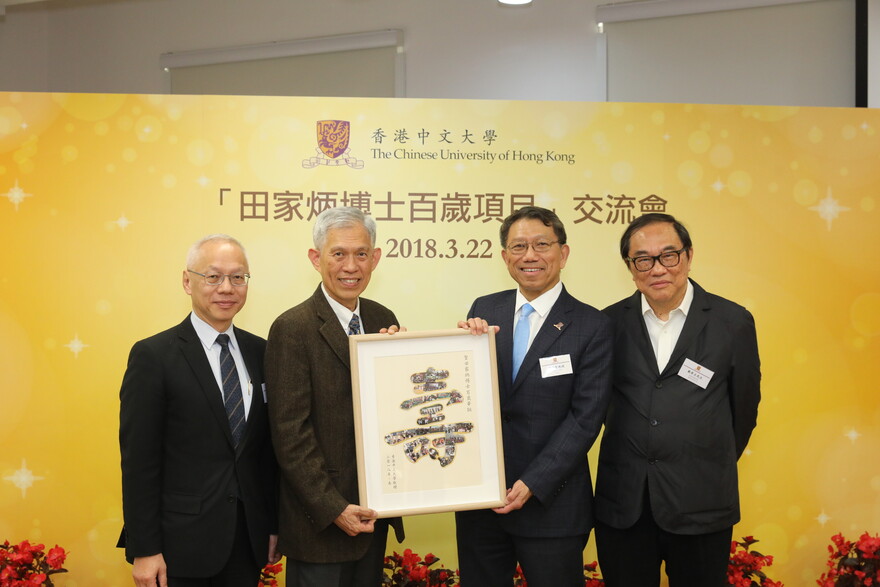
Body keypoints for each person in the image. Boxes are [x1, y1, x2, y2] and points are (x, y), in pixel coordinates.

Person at [594, 213, 761, 587]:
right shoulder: (606, 324)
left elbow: (744, 409)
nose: (658, 268)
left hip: (701, 502)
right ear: (630, 267)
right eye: (643, 259)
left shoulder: (732, 322)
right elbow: (595, 403)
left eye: (669, 255)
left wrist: (700, 454)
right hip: (624, 506)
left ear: (687, 256)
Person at [456, 206, 613, 587]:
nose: (530, 255)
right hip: (483, 501)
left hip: (551, 503)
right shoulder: (484, 309)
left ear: (563, 253)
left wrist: (533, 482)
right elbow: (467, 394)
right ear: (504, 256)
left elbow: (585, 418)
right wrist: (464, 346)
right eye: (519, 246)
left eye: (542, 244)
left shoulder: (592, 324)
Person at [118, 234, 279, 587]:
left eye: (238, 277)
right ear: (187, 281)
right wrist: (144, 549)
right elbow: (139, 462)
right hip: (179, 546)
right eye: (213, 276)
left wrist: (271, 525)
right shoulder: (154, 356)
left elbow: (265, 452)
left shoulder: (262, 352)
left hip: (246, 542)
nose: (227, 287)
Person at [265, 206, 404, 587]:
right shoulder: (292, 328)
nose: (351, 266)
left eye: (361, 254)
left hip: (373, 512)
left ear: (375, 258)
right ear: (316, 258)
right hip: (320, 522)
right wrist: (333, 508)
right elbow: (289, 433)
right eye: (338, 254)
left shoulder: (381, 317)